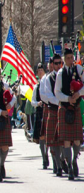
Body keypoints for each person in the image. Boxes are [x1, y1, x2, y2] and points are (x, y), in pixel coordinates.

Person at [54, 48, 84, 180]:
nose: (70, 60)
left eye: (72, 57)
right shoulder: (60, 73)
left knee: (77, 140)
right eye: (68, 58)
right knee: (66, 140)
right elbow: (57, 92)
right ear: (63, 60)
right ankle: (70, 168)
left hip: (76, 107)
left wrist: (79, 93)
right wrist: (68, 99)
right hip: (65, 108)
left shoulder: (78, 69)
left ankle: (74, 161)